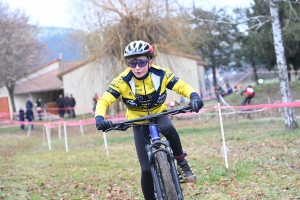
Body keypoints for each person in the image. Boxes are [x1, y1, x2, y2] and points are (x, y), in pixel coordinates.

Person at [94, 40, 204, 200]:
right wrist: (99, 117)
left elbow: (181, 86)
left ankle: (182, 163)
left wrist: (194, 96)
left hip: (158, 115)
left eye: (141, 62)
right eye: (132, 63)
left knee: (169, 128)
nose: (137, 67)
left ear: (149, 61)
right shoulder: (122, 81)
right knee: (146, 170)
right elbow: (104, 100)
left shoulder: (161, 74)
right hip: (138, 122)